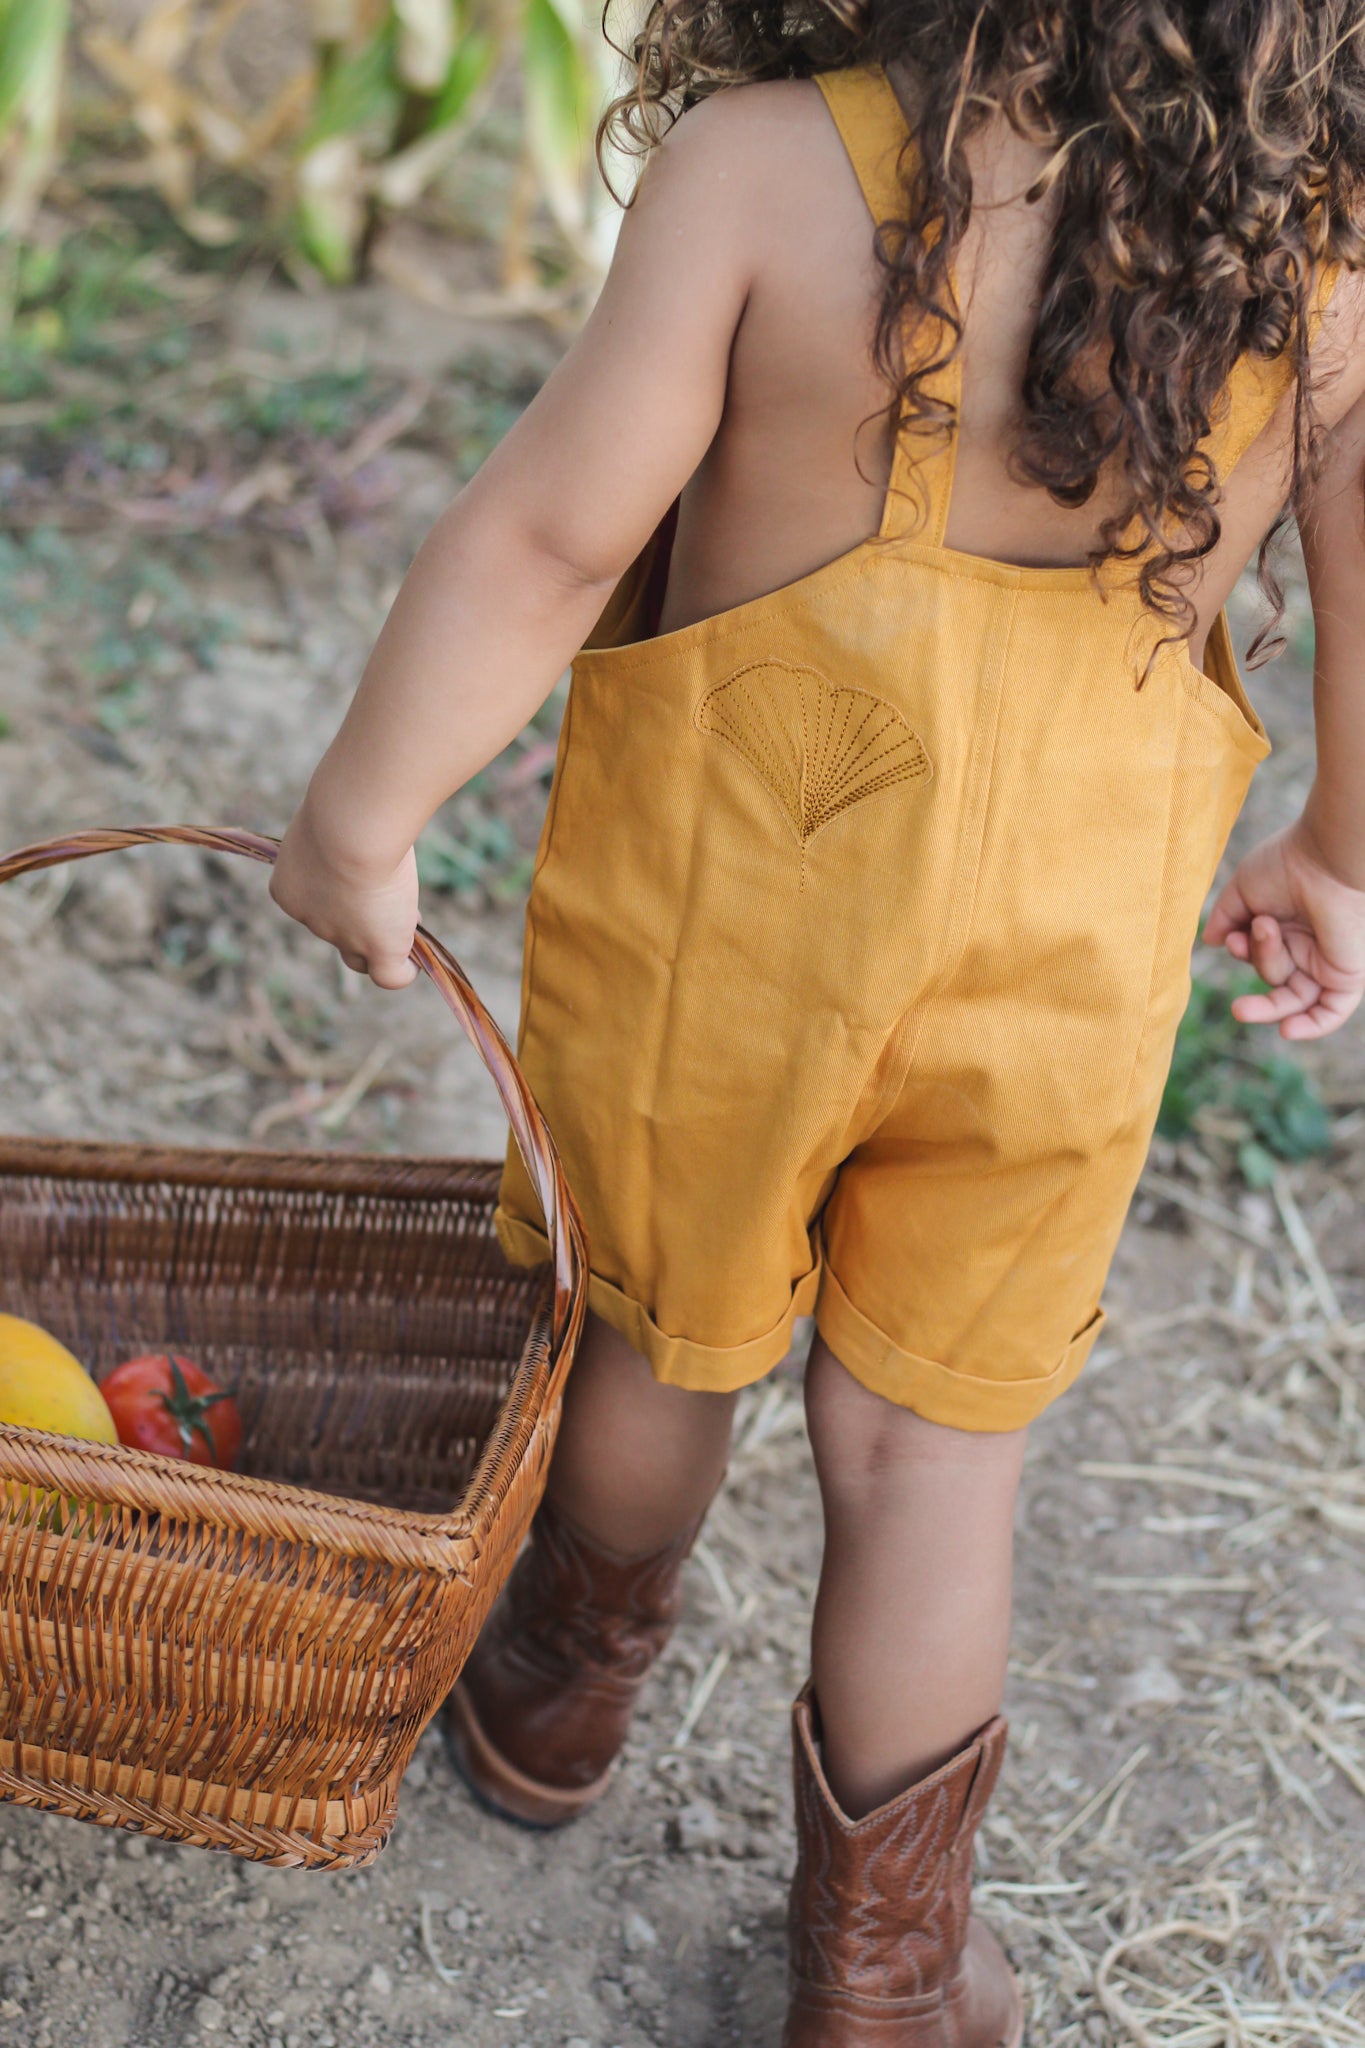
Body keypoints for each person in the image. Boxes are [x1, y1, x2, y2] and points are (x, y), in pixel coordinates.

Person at [270, 3, 1365, 2040]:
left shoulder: (765, 172)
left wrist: (362, 814)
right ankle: (880, 1970)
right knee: (930, 1449)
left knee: (660, 1324)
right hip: (1065, 951)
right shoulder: (1313, 257)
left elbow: (546, 533)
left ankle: (552, 1696)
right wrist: (1333, 854)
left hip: (733, 921)